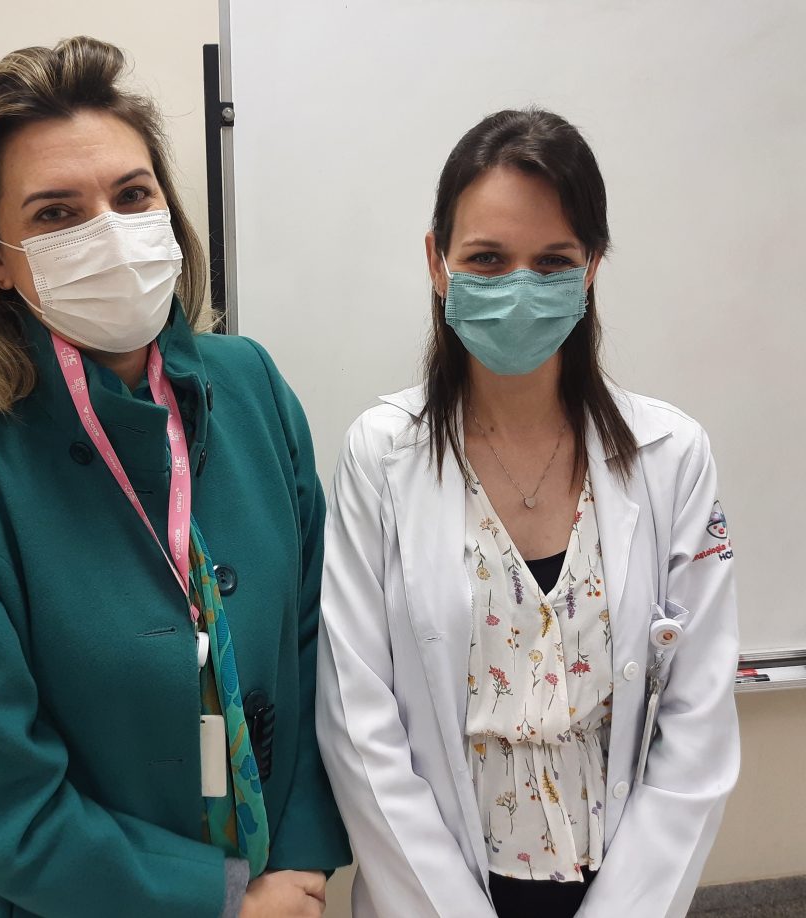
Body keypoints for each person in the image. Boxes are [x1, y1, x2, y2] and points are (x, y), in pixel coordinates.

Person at [0, 36, 349, 918]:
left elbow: (320, 644)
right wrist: (222, 904)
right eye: (56, 214)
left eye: (132, 196)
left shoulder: (251, 385)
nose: (111, 233)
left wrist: (304, 859)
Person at [315, 108, 739, 918]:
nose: (518, 288)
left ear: (592, 269)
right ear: (438, 263)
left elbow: (698, 725)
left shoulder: (672, 456)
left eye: (552, 263)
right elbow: (358, 725)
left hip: (622, 887)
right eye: (487, 258)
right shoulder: (381, 454)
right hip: (432, 889)